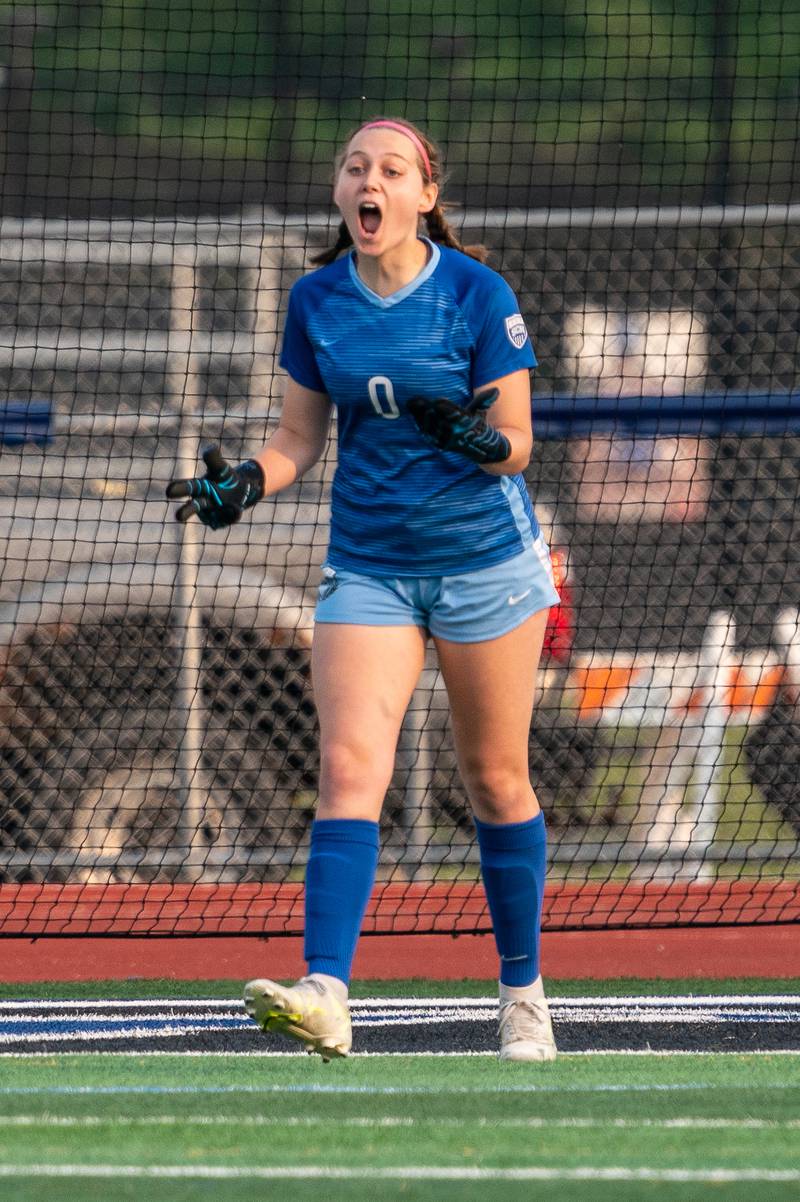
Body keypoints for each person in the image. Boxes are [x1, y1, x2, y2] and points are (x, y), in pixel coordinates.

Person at [167, 117, 560, 1062]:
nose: (369, 182)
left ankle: (523, 997)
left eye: (391, 169)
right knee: (349, 769)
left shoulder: (476, 292)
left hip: (486, 568)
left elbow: (515, 442)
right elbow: (298, 438)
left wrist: (468, 439)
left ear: (426, 196)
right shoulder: (316, 299)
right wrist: (244, 486)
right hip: (369, 566)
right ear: (342, 196)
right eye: (354, 168)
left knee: (496, 782)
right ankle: (326, 991)